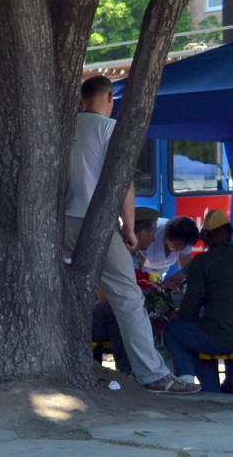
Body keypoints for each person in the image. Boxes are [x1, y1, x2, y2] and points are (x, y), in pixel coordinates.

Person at [63, 75, 199, 394]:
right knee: (128, 297)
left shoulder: (65, 127)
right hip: (96, 223)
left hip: (61, 223)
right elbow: (122, 182)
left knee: (68, 293)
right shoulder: (110, 130)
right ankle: (153, 375)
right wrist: (128, 227)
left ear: (82, 102)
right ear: (110, 96)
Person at [163, 209, 233, 393]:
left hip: (221, 336)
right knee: (199, 332)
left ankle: (186, 379)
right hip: (223, 333)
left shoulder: (202, 262)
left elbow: (191, 305)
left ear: (205, 238)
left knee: (176, 331)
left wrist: (179, 316)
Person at [132, 208, 198, 286]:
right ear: (167, 236)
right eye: (177, 245)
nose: (179, 249)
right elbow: (139, 271)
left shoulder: (186, 236)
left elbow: (185, 267)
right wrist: (159, 286)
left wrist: (177, 279)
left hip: (158, 274)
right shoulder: (150, 236)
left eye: (183, 246)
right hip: (142, 273)